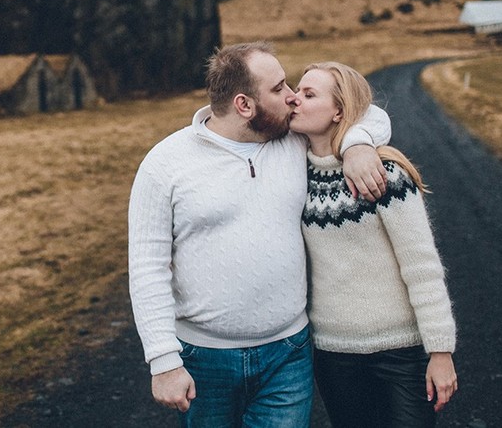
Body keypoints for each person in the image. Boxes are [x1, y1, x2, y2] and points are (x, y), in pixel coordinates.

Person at [128, 42, 392, 426]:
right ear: (244, 106)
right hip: (204, 359)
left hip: (288, 354)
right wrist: (163, 361)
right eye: (279, 88)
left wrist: (357, 146)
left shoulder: (293, 139)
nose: (292, 97)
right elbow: (146, 267)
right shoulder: (164, 164)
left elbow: (372, 115)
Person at [289, 61, 458, 428]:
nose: (294, 99)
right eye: (295, 91)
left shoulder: (384, 172)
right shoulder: (292, 172)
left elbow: (422, 265)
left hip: (400, 351)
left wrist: (440, 351)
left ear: (338, 111)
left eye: (308, 94)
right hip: (333, 355)